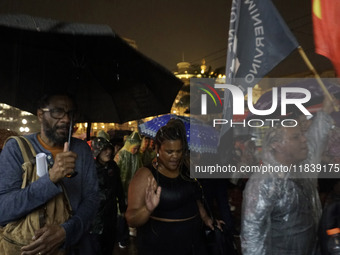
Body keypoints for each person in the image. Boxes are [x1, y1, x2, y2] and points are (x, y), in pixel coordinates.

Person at [0, 93, 99, 254]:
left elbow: (92, 199)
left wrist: (65, 232)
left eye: (71, 113)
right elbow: (3, 210)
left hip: (73, 248)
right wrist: (51, 179)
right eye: (58, 111)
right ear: (40, 114)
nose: (66, 119)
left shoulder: (81, 150)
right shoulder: (15, 149)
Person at [241, 97, 334, 255]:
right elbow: (252, 235)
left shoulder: (302, 167)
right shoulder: (264, 182)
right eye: (296, 137)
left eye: (302, 134)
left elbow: (315, 140)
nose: (304, 139)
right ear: (276, 144)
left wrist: (325, 111)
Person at [125, 119, 220, 255]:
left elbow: (195, 198)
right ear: (157, 149)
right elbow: (131, 219)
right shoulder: (146, 175)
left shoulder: (185, 168)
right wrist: (147, 209)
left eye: (179, 151)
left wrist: (206, 218)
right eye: (169, 152)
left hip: (193, 242)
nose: (175, 156)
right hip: (162, 245)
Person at [87, 134, 126, 255]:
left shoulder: (113, 166)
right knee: (96, 248)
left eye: (109, 148)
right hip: (96, 219)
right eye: (104, 149)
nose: (108, 151)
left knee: (109, 245)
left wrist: (123, 206)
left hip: (111, 214)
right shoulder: (90, 169)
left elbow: (118, 186)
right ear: (97, 152)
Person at [114, 131, 142, 247]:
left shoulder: (137, 156)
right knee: (121, 214)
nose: (135, 150)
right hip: (121, 190)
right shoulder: (121, 155)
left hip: (132, 190)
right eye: (134, 148)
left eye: (137, 148)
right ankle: (121, 237)